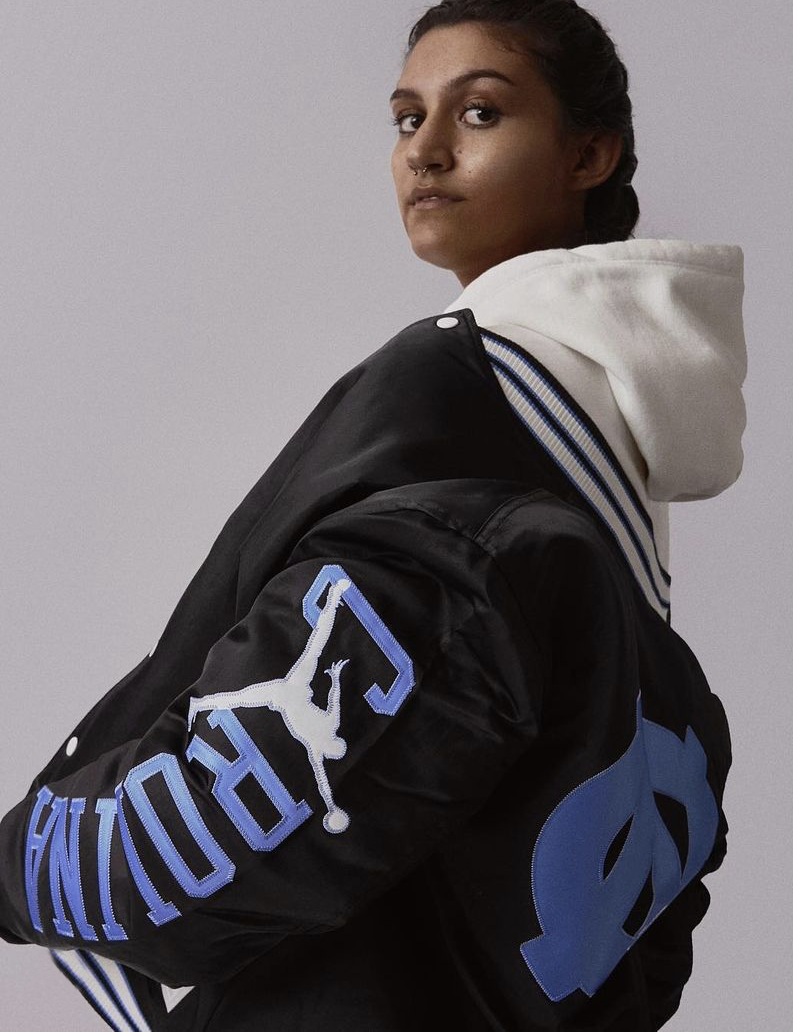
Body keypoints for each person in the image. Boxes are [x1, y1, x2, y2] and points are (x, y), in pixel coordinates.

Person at [0, 1, 746, 1028]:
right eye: (406, 119)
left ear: (589, 154)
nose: (425, 151)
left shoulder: (457, 454)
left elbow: (209, 839)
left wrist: (16, 868)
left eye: (479, 113)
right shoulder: (616, 524)